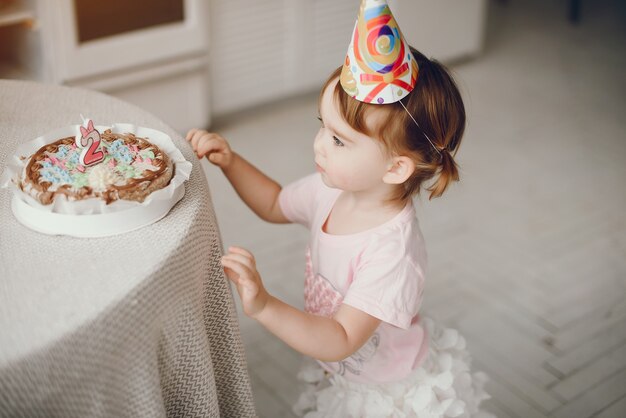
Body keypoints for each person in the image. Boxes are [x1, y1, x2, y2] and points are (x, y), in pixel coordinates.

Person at [186, 1, 493, 416]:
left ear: (395, 167)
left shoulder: (392, 253)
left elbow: (343, 337)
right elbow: (276, 203)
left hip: (384, 393)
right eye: (322, 127)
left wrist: (265, 306)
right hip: (341, 370)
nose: (318, 145)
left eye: (338, 140)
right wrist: (231, 161)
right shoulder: (329, 190)